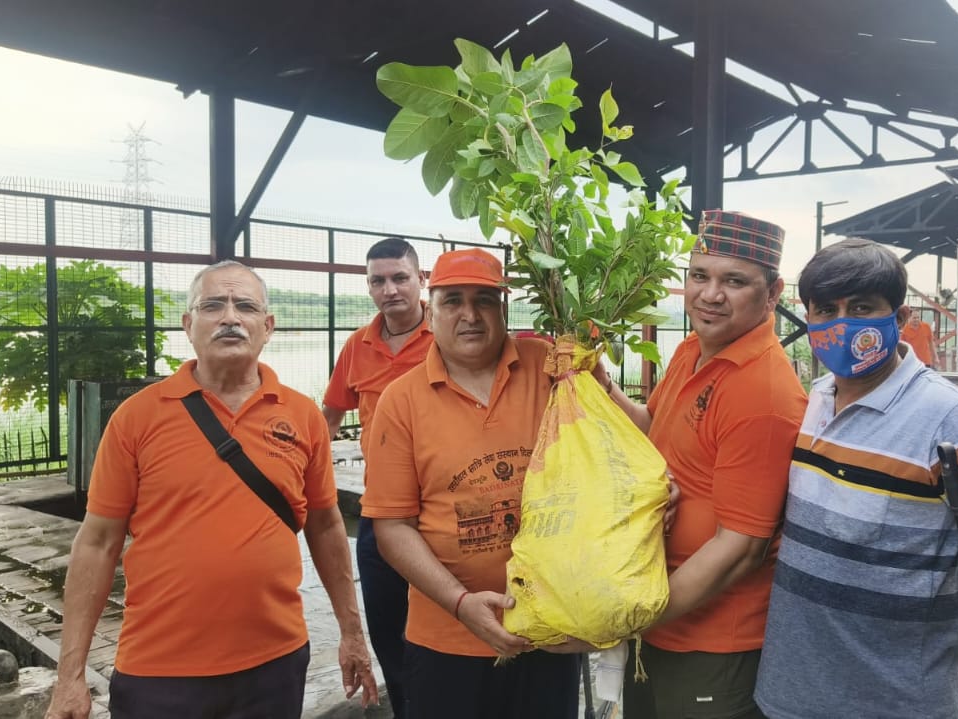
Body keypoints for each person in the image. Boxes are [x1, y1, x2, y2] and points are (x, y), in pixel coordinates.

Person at [45, 260, 378, 719]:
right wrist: (70, 676)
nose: (230, 317)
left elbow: (325, 525)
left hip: (275, 663)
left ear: (268, 326)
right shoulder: (137, 418)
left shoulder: (302, 417)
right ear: (188, 324)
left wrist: (351, 633)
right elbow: (98, 543)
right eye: (213, 305)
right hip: (159, 669)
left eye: (245, 306)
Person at [755, 239, 958, 719]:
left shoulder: (950, 420)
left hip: (896, 703)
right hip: (785, 697)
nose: (843, 324)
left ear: (899, 319)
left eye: (861, 308)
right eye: (826, 311)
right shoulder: (815, 399)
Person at [600, 210, 807, 719]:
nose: (710, 295)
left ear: (773, 292)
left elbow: (741, 548)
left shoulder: (763, 392)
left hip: (713, 641)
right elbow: (656, 428)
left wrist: (632, 617)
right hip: (659, 616)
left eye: (734, 281)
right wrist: (599, 386)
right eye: (700, 276)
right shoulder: (693, 349)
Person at [360, 248, 581, 719]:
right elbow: (393, 527)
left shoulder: (549, 368)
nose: (470, 315)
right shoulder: (401, 402)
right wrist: (460, 604)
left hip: (551, 627)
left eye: (484, 300)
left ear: (504, 307)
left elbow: (608, 452)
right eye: (452, 301)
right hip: (446, 638)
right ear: (431, 308)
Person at [321, 237, 431, 717]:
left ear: (421, 280)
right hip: (382, 508)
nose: (390, 290)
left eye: (399, 278)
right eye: (378, 281)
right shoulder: (357, 346)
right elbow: (328, 415)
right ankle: (407, 706)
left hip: (443, 507)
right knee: (388, 624)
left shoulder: (450, 334)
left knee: (451, 618)